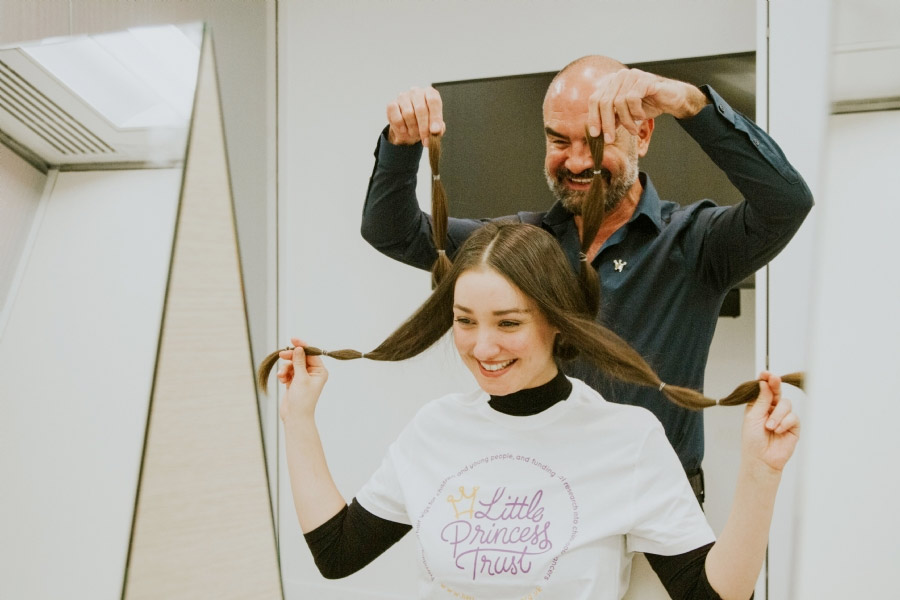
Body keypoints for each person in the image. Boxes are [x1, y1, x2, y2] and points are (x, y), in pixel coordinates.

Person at [263, 221, 800, 600]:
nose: (482, 346)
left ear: (556, 322)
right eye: (465, 320)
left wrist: (761, 474)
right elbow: (338, 555)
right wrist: (298, 418)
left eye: (509, 322)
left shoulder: (625, 438)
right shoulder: (435, 429)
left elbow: (711, 597)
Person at [359, 55, 814, 502]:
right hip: (541, 505)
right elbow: (392, 232)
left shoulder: (696, 244)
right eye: (559, 141)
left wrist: (691, 104)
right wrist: (402, 144)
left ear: (642, 134)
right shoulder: (515, 245)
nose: (576, 162)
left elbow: (787, 202)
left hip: (655, 511)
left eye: (595, 142)